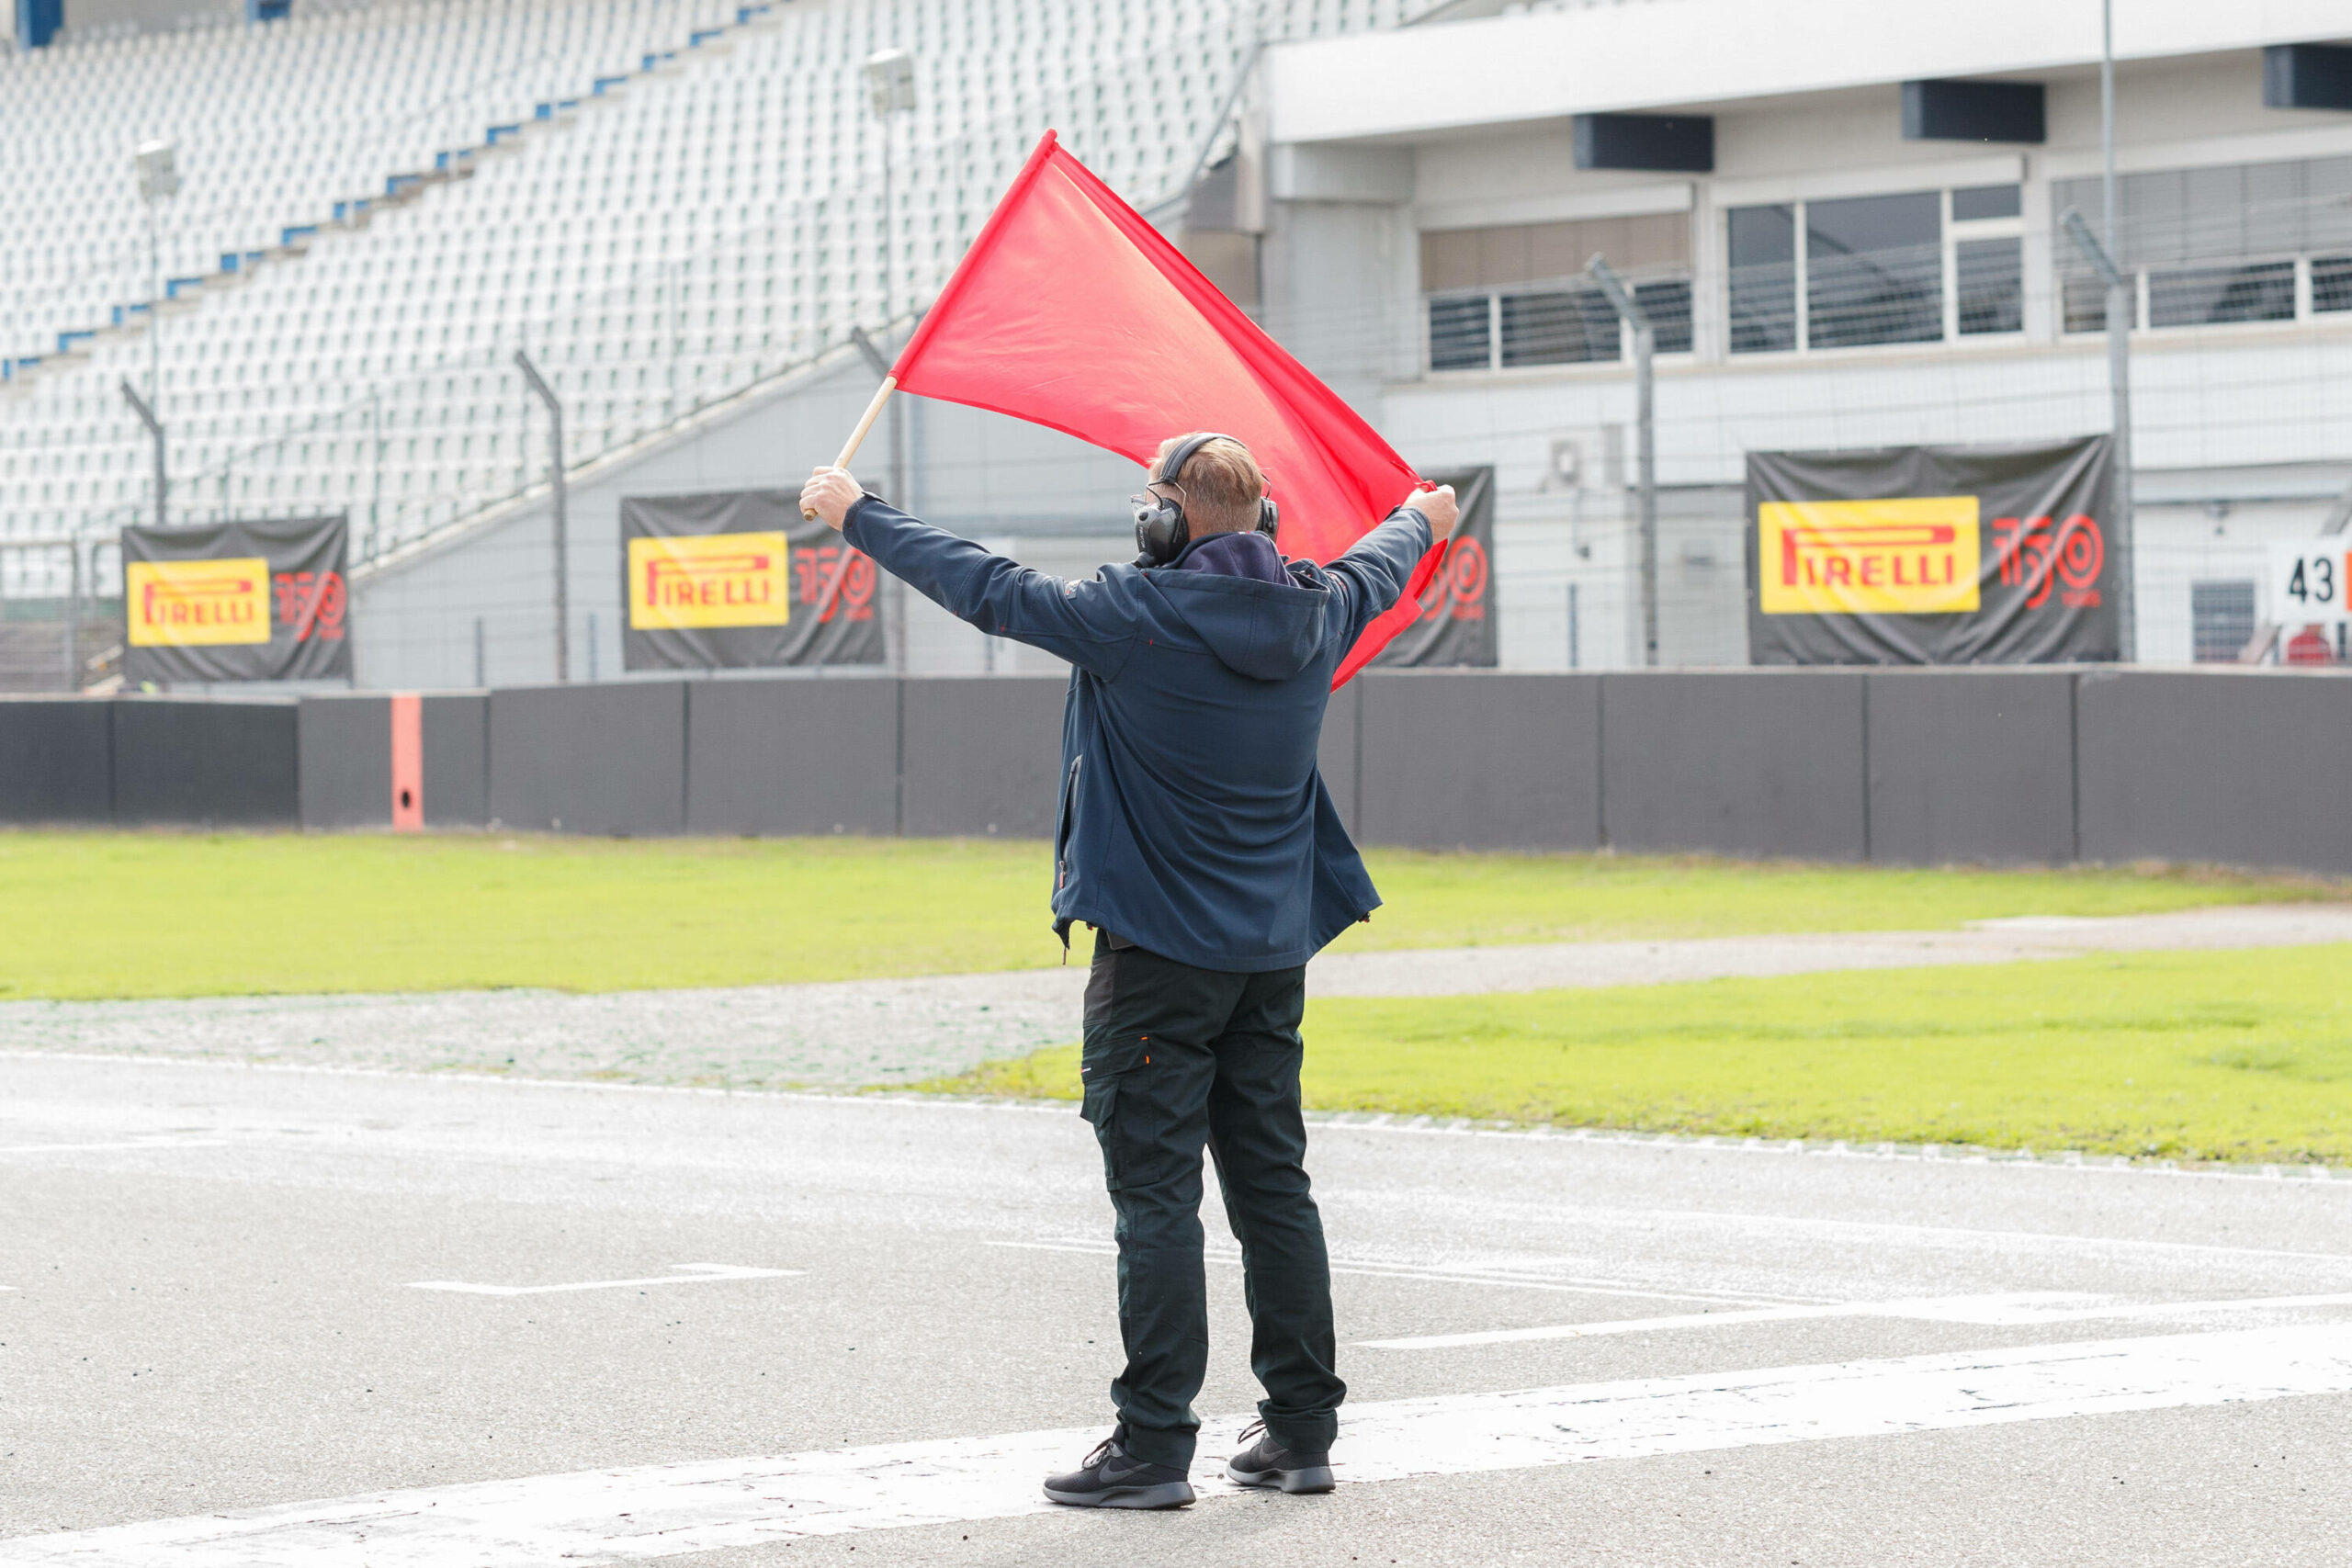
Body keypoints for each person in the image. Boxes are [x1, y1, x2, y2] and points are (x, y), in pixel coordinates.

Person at [799, 436, 1457, 1511]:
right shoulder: (1321, 605)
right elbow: (1386, 558)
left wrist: (858, 512)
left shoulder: (1131, 614)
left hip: (1155, 961)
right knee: (1272, 1189)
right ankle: (1299, 1435)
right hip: (1268, 960)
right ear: (1264, 521)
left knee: (1155, 1202)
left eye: (1146, 508)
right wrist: (1423, 520)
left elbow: (988, 588)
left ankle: (1152, 1447)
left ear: (1166, 522)